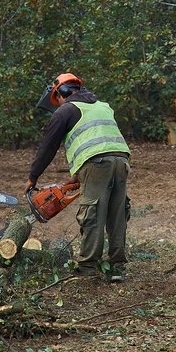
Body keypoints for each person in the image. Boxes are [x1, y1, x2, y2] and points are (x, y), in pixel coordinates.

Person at [26, 73, 131, 282]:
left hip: (97, 164)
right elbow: (98, 140)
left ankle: (88, 266)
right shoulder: (103, 106)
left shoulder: (66, 110)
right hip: (121, 160)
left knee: (92, 212)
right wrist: (78, 175)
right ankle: (117, 267)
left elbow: (48, 146)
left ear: (62, 92)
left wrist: (33, 176)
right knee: (117, 211)